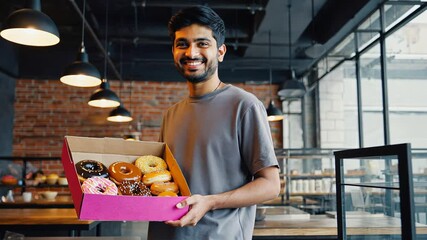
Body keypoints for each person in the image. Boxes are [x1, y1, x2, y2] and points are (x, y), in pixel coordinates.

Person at [148, 6, 281, 240]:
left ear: (220, 51)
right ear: (173, 51)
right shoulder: (171, 113)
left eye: (202, 43)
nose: (191, 52)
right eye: (182, 44)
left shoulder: (244, 105)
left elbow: (270, 185)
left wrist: (211, 202)